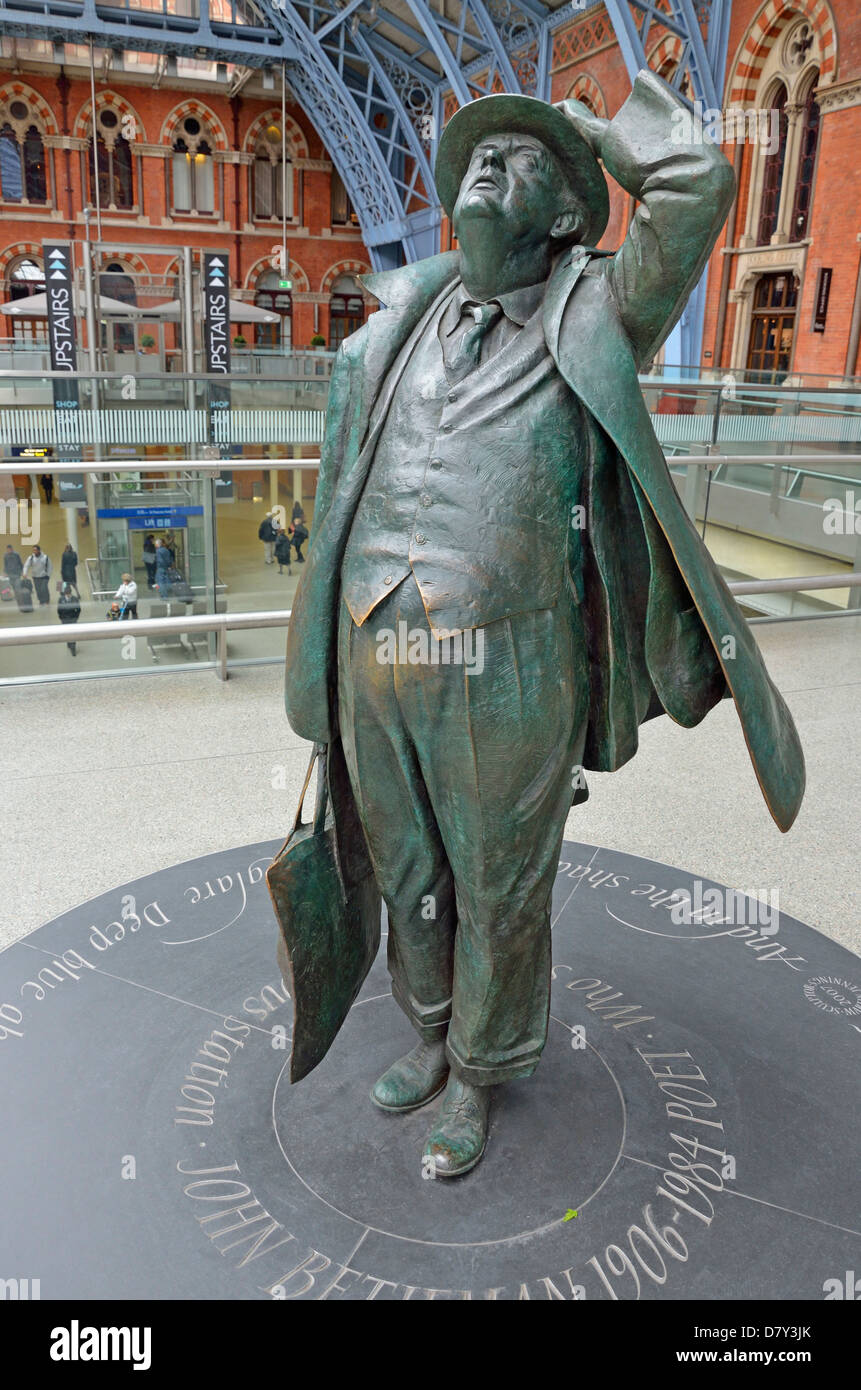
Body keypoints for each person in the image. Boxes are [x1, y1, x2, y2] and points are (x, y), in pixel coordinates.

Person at [279, 72, 805, 1178]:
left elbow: (697, 184)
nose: (486, 166)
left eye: (519, 162)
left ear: (565, 215)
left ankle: (480, 1067)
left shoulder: (597, 307)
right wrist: (318, 665)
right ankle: (427, 1030)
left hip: (513, 656)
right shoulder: (387, 336)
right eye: (478, 154)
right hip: (377, 648)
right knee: (408, 856)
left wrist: (596, 134)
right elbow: (335, 499)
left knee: (502, 875)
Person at [57, 582, 81, 655]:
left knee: (73, 632)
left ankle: (73, 646)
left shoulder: (75, 599)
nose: (68, 595)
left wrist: (76, 617)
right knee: (67, 632)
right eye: (67, 593)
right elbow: (59, 610)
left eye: (69, 593)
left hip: (73, 618)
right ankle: (69, 642)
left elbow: (78, 609)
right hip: (64, 619)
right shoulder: (61, 599)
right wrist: (61, 617)